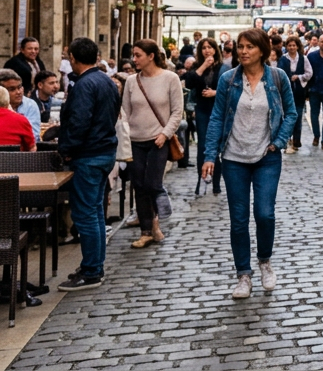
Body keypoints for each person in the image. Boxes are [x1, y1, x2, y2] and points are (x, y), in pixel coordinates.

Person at [202, 29, 298, 299]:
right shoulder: (228, 80)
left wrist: (278, 141)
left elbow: (291, 112)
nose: (243, 51)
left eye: (249, 47)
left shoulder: (277, 78)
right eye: (240, 47)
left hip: (267, 156)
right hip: (234, 158)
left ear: (262, 50)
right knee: (238, 219)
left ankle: (265, 261)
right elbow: (218, 117)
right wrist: (210, 155)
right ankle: (243, 274)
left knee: (265, 213)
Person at [56, 37, 120, 292]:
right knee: (93, 213)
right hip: (102, 152)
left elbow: (80, 122)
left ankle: (92, 270)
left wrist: (68, 149)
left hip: (90, 155)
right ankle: (93, 266)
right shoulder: (106, 80)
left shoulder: (85, 84)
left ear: (73, 57)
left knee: (86, 214)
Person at [122, 39, 184, 248]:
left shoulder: (170, 78)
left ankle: (155, 222)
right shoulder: (132, 81)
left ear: (151, 56)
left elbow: (177, 111)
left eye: (138, 55)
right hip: (135, 141)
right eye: (134, 55)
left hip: (158, 141)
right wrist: (124, 134)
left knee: (152, 184)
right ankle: (147, 230)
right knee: (139, 186)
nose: (134, 59)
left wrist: (165, 134)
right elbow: (125, 112)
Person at [185, 38, 225, 194]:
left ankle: (216, 182)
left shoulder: (223, 68)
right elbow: (189, 83)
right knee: (203, 147)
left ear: (215, 50)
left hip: (218, 110)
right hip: (202, 110)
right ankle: (201, 180)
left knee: (215, 148)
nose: (207, 50)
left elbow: (230, 89)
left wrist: (215, 93)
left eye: (210, 47)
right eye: (204, 48)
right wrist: (203, 66)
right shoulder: (197, 67)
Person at [278, 36, 311, 154]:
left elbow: (309, 73)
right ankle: (287, 139)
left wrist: (299, 77)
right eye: (289, 45)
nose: (292, 47)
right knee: (287, 116)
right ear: (286, 47)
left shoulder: (303, 58)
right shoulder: (283, 59)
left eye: (294, 45)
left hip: (299, 91)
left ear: (297, 46)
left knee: (297, 115)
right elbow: (279, 73)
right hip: (287, 91)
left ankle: (296, 140)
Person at [0, 69, 41, 142]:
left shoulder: (30, 105)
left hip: (24, 151)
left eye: (19, 87)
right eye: (12, 89)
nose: (18, 92)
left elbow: (33, 135)